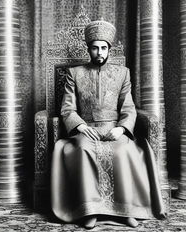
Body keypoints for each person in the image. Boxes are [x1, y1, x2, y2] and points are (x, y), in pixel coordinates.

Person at [51, 20, 166, 229]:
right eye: (95, 48)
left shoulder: (123, 73)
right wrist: (81, 127)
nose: (99, 52)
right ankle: (91, 211)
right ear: (89, 49)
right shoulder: (74, 73)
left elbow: (129, 108)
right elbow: (67, 108)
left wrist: (121, 128)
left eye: (103, 48)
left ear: (109, 49)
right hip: (86, 130)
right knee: (84, 149)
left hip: (114, 128)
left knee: (122, 151)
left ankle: (126, 212)